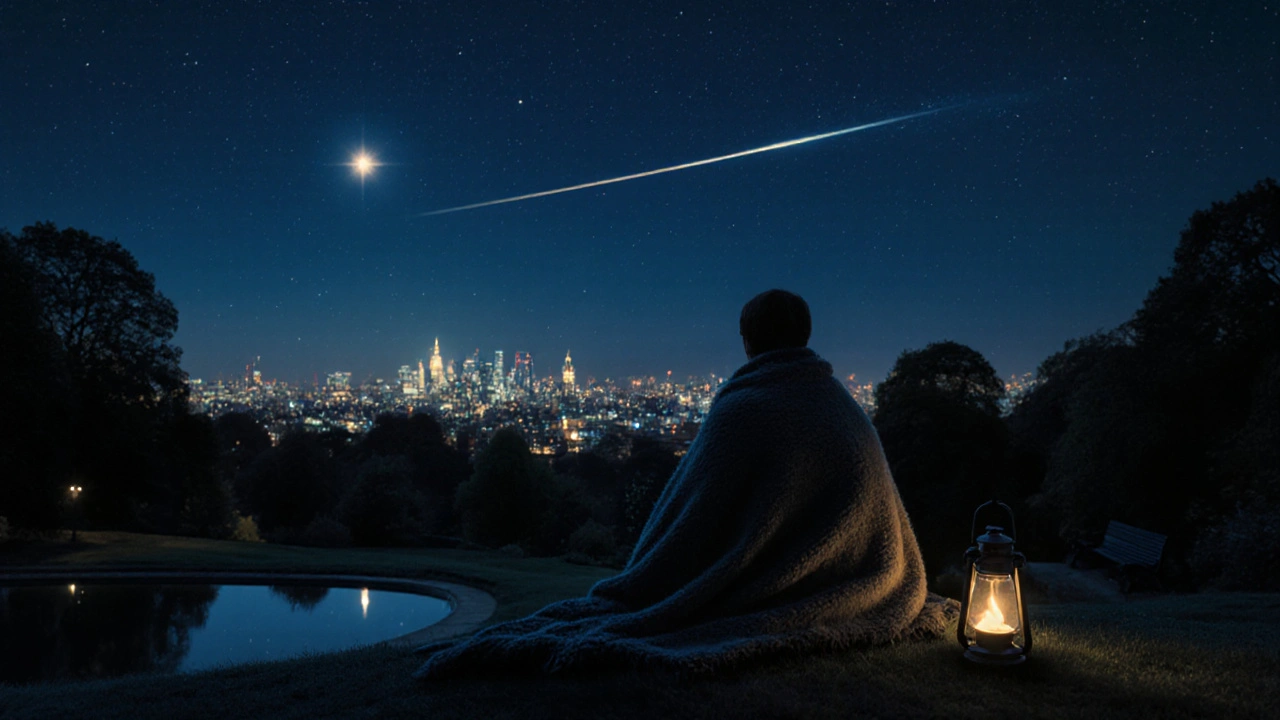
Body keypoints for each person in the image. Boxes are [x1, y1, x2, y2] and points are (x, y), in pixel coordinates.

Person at [415, 289, 956, 679]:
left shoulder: (744, 410)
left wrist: (650, 578)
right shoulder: (844, 406)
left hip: (778, 592)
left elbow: (689, 515)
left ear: (747, 342)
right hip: (858, 581)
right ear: (803, 337)